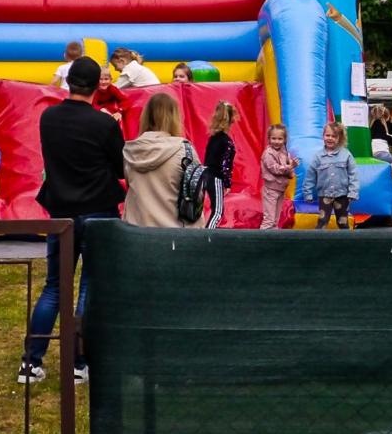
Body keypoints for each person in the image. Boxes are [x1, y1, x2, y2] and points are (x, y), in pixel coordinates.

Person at [19, 56, 124, 386]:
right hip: (97, 211)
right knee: (88, 287)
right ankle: (80, 363)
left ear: (69, 82)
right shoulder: (104, 125)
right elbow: (122, 169)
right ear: (96, 87)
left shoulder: (48, 118)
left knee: (54, 287)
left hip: (60, 211)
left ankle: (31, 362)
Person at [123, 92, 191, 227]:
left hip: (136, 230)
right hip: (173, 231)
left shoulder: (131, 150)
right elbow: (196, 192)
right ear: (175, 117)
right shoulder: (184, 149)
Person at [303, 121, 359, 229]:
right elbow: (311, 175)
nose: (330, 138)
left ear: (340, 138)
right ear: (323, 136)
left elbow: (353, 174)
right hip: (325, 195)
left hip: (342, 195)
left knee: (343, 222)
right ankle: (318, 241)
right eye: (327, 135)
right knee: (323, 220)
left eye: (334, 136)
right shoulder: (318, 156)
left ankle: (348, 242)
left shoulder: (346, 155)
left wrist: (353, 192)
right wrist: (308, 192)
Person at [202, 100, 238, 227]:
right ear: (232, 119)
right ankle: (207, 236)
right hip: (215, 177)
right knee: (218, 211)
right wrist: (227, 183)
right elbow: (225, 165)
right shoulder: (227, 142)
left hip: (206, 175)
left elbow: (207, 159)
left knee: (213, 208)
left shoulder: (213, 138)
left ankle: (207, 233)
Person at [259, 123, 299, 229]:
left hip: (280, 190)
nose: (277, 141)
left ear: (284, 140)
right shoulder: (268, 153)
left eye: (280, 139)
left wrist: (291, 168)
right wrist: (289, 167)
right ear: (269, 139)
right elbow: (275, 169)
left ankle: (272, 241)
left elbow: (289, 173)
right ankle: (261, 241)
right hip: (270, 190)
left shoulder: (285, 153)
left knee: (275, 220)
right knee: (269, 220)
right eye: (274, 138)